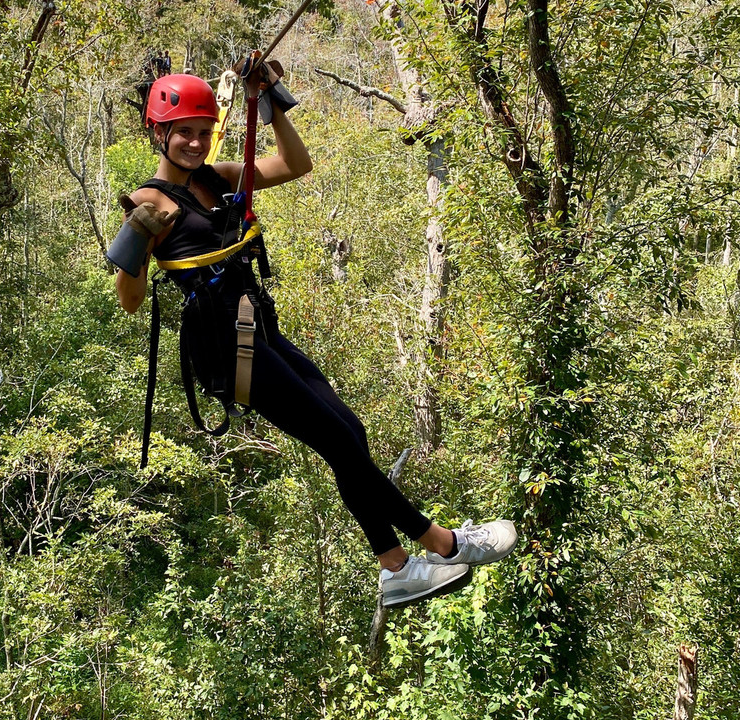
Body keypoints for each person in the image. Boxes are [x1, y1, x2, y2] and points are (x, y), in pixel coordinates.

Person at [111, 70, 517, 608]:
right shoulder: (150, 201)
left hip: (257, 325)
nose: (194, 142)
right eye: (183, 131)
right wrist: (138, 232)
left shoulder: (217, 177)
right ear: (158, 133)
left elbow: (294, 165)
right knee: (338, 438)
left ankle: (395, 568)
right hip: (225, 348)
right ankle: (442, 544)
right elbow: (131, 300)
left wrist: (271, 100)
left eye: (203, 131)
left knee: (350, 430)